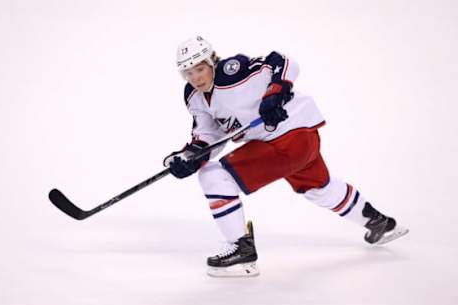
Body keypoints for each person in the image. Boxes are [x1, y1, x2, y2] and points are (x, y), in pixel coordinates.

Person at [164, 36, 408, 277]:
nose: (195, 77)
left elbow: (284, 62)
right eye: (188, 72)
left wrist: (276, 92)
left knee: (215, 176)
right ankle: (380, 224)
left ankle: (241, 250)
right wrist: (190, 157)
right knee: (319, 188)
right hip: (294, 143)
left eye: (200, 68)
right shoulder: (194, 96)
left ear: (211, 61)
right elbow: (209, 135)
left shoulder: (232, 71)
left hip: (290, 135)